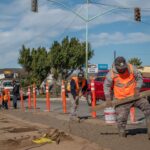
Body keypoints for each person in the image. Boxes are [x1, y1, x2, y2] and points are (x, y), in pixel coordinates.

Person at [104, 56, 150, 139]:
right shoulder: (111, 74)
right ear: (115, 66)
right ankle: (122, 135)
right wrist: (108, 98)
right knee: (121, 119)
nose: (122, 70)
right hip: (121, 100)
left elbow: (139, 78)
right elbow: (106, 86)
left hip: (135, 96)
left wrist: (137, 88)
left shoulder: (132, 68)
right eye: (120, 68)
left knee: (147, 107)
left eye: (123, 68)